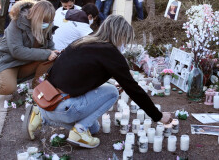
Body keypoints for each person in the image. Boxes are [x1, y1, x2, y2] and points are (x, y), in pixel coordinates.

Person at [23, 15, 172, 147]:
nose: (124, 44)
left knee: (94, 129)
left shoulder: (82, 42)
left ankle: (40, 116)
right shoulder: (110, 52)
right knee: (112, 92)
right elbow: (133, 89)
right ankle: (78, 132)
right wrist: (158, 116)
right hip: (65, 108)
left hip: (47, 102)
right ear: (119, 35)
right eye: (124, 39)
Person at [0, 0, 59, 107]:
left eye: (49, 21)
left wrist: (54, 53)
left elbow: (50, 48)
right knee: (8, 87)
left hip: (26, 62)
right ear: (36, 16)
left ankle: (36, 91)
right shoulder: (17, 22)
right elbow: (17, 51)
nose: (46, 24)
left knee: (51, 58)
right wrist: (47, 53)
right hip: (7, 62)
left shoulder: (47, 25)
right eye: (44, 21)